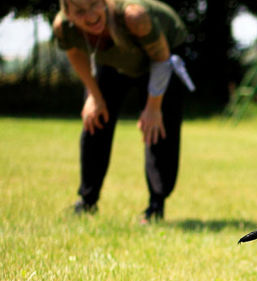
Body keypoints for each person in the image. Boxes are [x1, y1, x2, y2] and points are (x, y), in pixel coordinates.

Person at [53, 0, 195, 223]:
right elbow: (74, 52)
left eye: (93, 5)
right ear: (67, 13)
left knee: (157, 127)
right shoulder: (64, 27)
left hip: (161, 57)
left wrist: (154, 107)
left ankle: (156, 206)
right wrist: (93, 95)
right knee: (94, 120)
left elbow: (161, 57)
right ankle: (87, 201)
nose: (90, 16)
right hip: (112, 60)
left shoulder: (133, 17)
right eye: (80, 11)